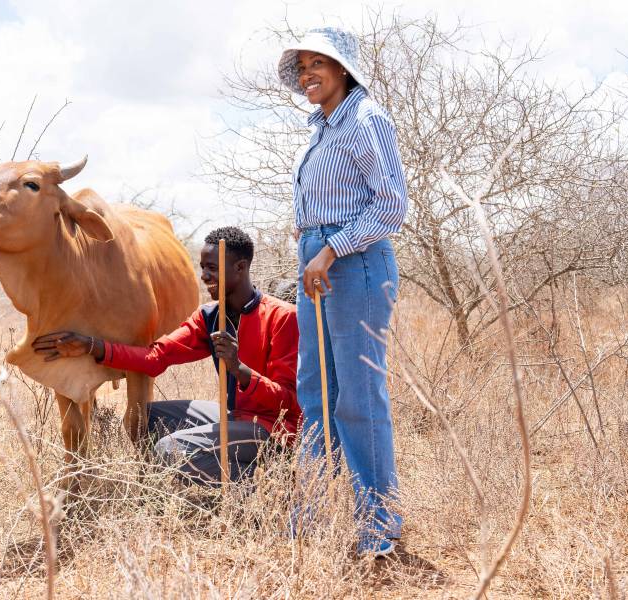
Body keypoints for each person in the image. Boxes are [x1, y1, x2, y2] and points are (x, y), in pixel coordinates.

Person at [32, 226, 301, 485]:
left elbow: (288, 403)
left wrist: (238, 368)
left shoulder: (282, 317)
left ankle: (262, 488)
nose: (204, 276)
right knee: (144, 416)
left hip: (273, 430)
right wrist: (91, 346)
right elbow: (155, 358)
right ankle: (188, 481)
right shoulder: (209, 317)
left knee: (169, 450)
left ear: (240, 268)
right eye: (202, 268)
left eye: (212, 268)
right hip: (234, 416)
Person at [277, 27, 408, 556]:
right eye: (302, 66)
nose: (309, 74)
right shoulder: (321, 129)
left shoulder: (365, 119)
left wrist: (329, 249)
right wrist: (309, 240)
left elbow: (392, 205)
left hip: (354, 266)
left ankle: (379, 522)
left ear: (343, 68)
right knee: (314, 390)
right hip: (319, 262)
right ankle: (314, 513)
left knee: (357, 396)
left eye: (318, 64)